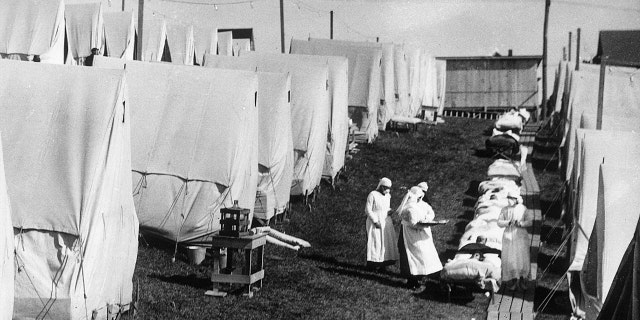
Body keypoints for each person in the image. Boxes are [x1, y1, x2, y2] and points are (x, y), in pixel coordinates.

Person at [397, 186, 443, 290]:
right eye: (418, 197)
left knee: (424, 255)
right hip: (411, 234)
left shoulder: (422, 204)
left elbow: (430, 212)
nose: (419, 199)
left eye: (420, 197)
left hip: (422, 233)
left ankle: (420, 277)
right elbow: (413, 223)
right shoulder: (408, 208)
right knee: (412, 256)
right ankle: (411, 281)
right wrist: (424, 224)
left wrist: (428, 219)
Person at [497, 192, 533, 291]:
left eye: (511, 198)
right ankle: (511, 281)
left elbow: (530, 221)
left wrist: (520, 223)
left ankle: (522, 280)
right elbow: (499, 222)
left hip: (520, 236)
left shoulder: (523, 209)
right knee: (510, 258)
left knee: (521, 258)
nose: (509, 200)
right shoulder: (505, 209)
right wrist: (508, 222)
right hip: (508, 236)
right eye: (508, 198)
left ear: (516, 199)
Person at [365, 177, 399, 272]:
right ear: (381, 186)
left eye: (388, 188)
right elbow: (368, 210)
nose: (386, 190)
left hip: (385, 221)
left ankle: (382, 265)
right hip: (375, 222)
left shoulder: (388, 196)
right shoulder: (372, 194)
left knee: (385, 243)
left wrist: (389, 211)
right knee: (375, 242)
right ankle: (372, 265)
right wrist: (375, 221)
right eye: (385, 187)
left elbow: (385, 207)